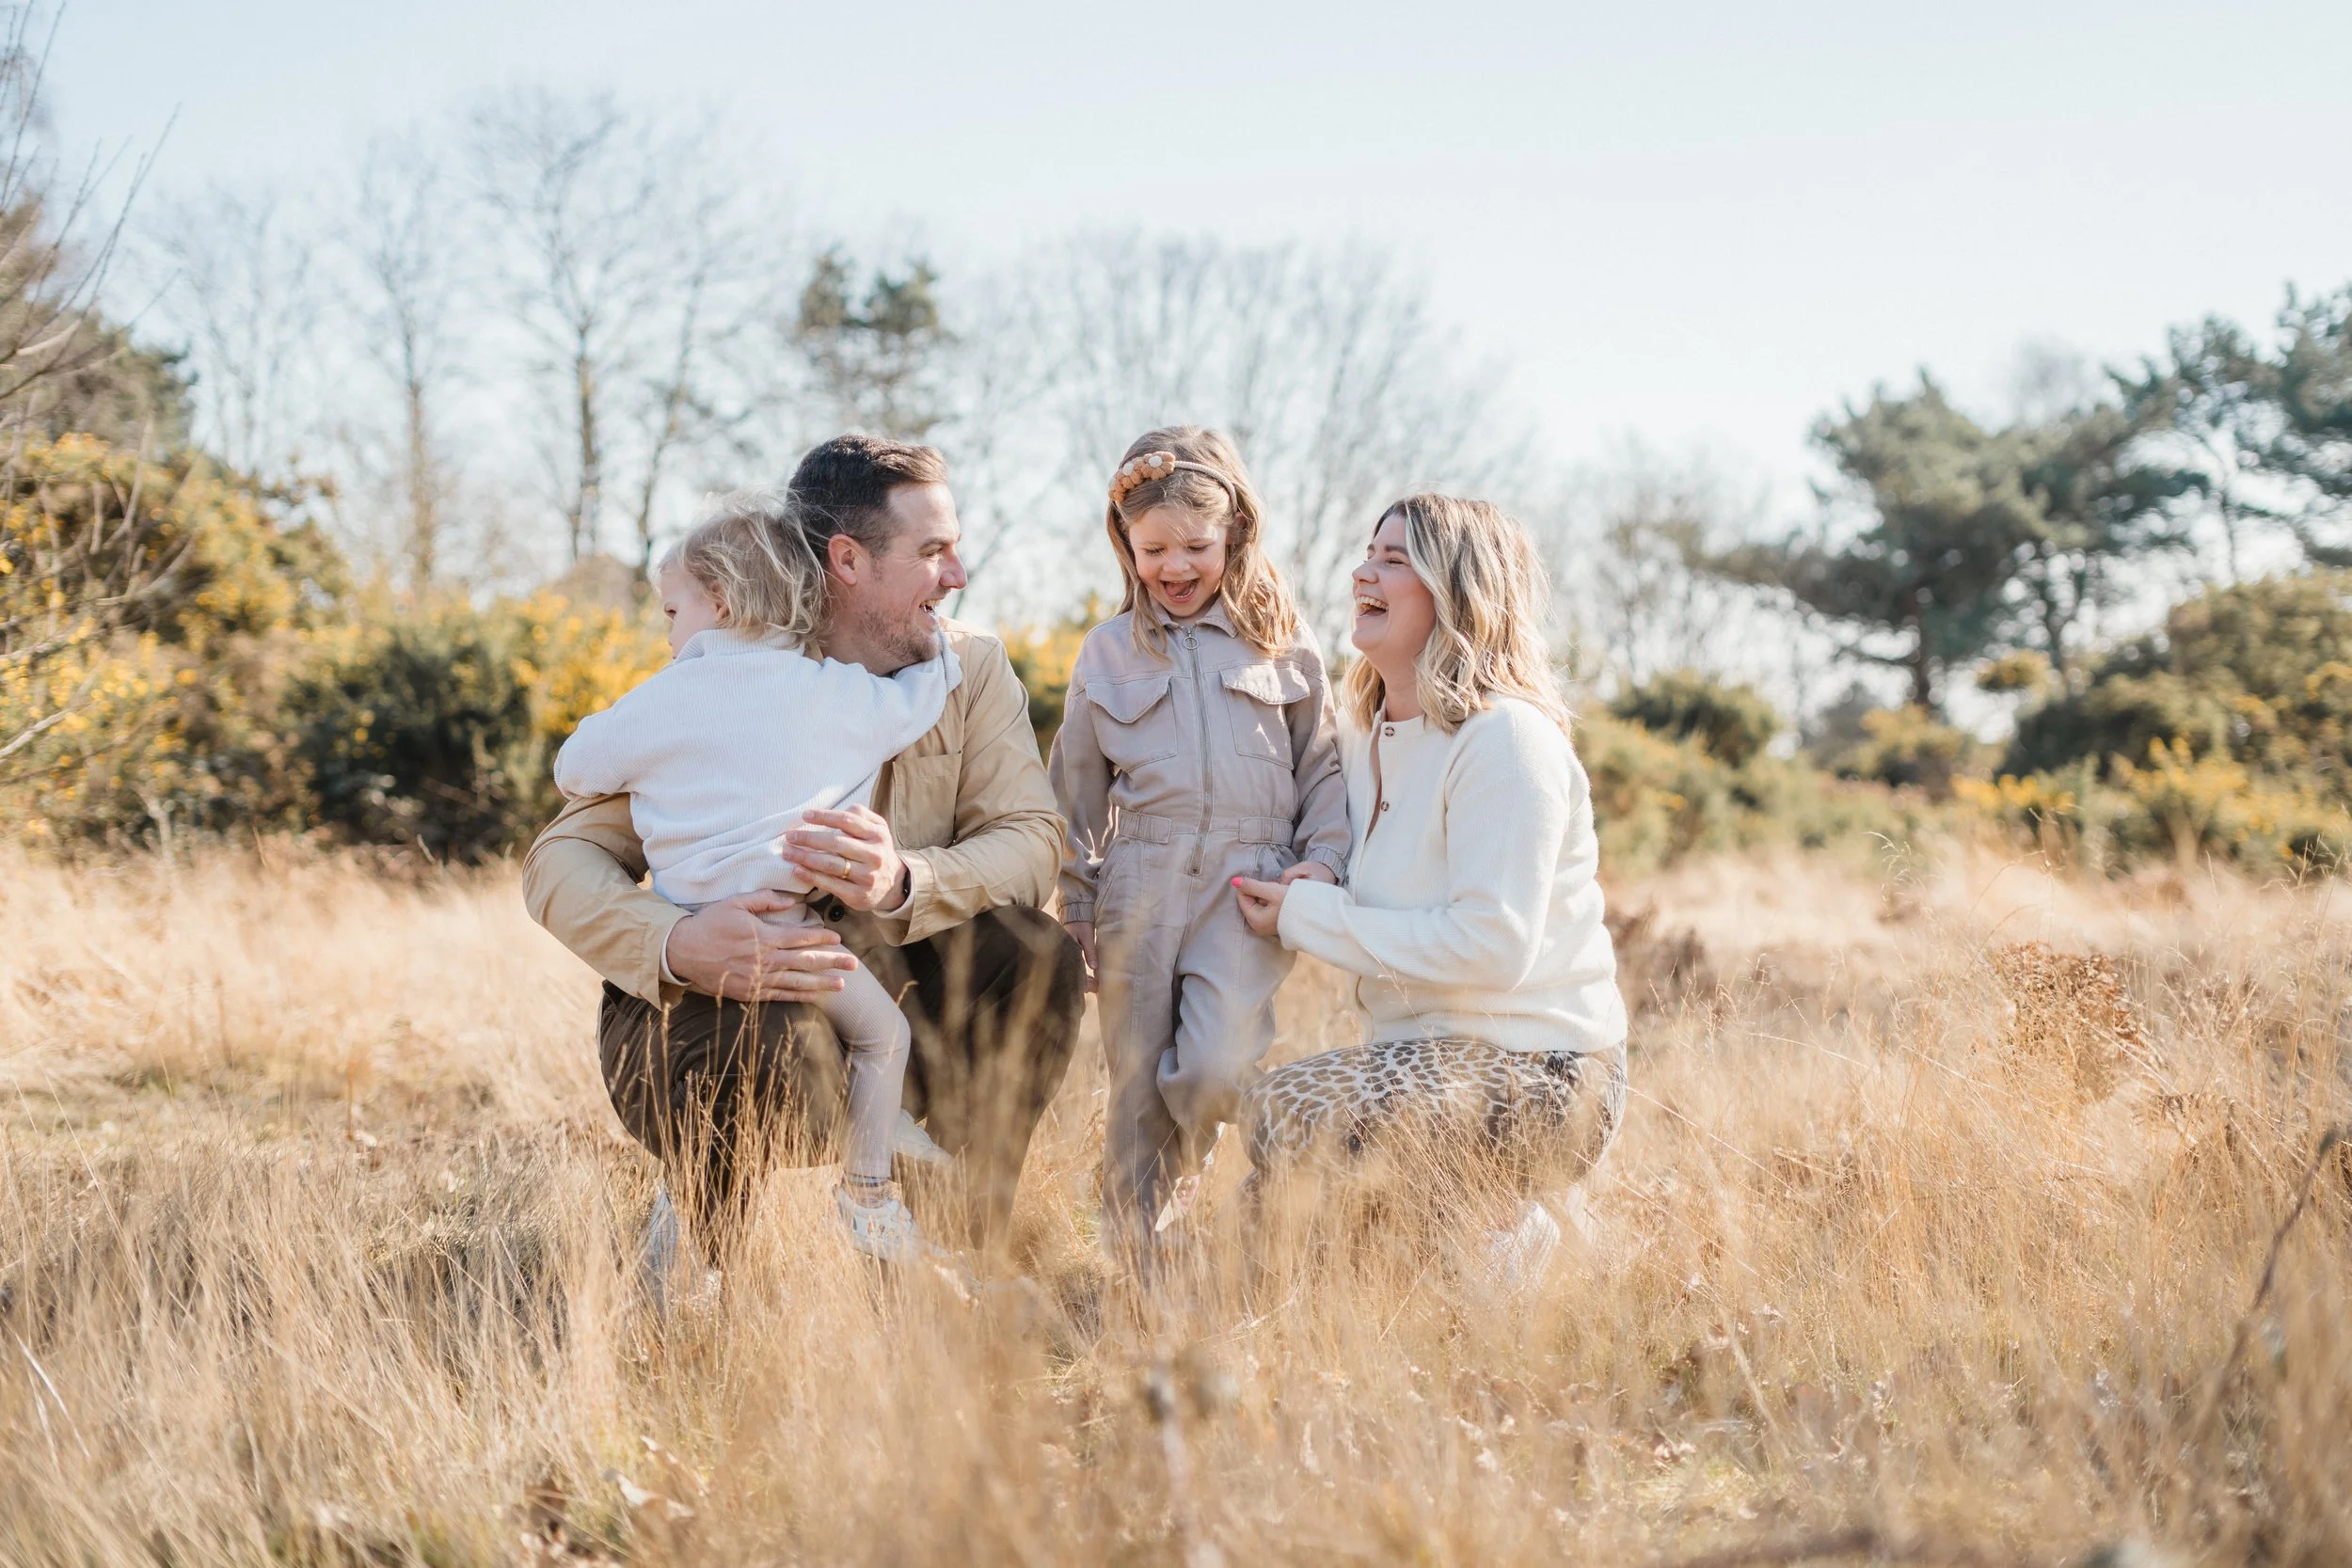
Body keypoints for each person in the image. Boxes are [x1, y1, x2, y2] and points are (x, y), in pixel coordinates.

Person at [524, 435, 1085, 1269]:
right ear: (849, 558)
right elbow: (558, 861)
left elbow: (1035, 839)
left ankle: (958, 1252)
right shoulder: (726, 664)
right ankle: (700, 1265)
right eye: (933, 550)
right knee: (759, 1028)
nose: (958, 573)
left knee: (1040, 960)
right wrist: (676, 943)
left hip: (881, 980)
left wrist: (906, 880)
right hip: (705, 1008)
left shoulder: (966, 667)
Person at [551, 492, 957, 1261]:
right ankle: (868, 1195)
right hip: (794, 935)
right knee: (882, 1036)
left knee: (721, 1078)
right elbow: (915, 702)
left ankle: (692, 1255)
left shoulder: (662, 698)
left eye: (673, 612)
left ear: (721, 599)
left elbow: (575, 767)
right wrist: (944, 650)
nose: (668, 634)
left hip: (688, 931)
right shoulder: (829, 693)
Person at [1232, 494, 1628, 1280]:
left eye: (1394, 560)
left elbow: (1492, 947)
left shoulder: (1506, 741)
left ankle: (1517, 1242)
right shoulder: (1369, 736)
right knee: (1264, 1231)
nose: (1362, 574)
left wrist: (1313, 913)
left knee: (1293, 1109)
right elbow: (1378, 863)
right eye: (1368, 554)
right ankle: (1463, 1239)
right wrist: (1328, 870)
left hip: (1546, 1070)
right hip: (1416, 1057)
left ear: (1459, 591)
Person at [1049, 427, 1349, 1264]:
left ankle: (1180, 1187)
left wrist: (1317, 866)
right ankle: (1135, 1264)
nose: (1174, 566)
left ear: (1235, 536)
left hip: (1250, 886)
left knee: (1214, 1066)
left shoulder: (1282, 639)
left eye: (1195, 545)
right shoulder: (1107, 652)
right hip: (1139, 883)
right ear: (1126, 546)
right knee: (1136, 1087)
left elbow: (1323, 767)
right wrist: (1076, 904)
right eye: (1153, 549)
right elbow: (1074, 788)